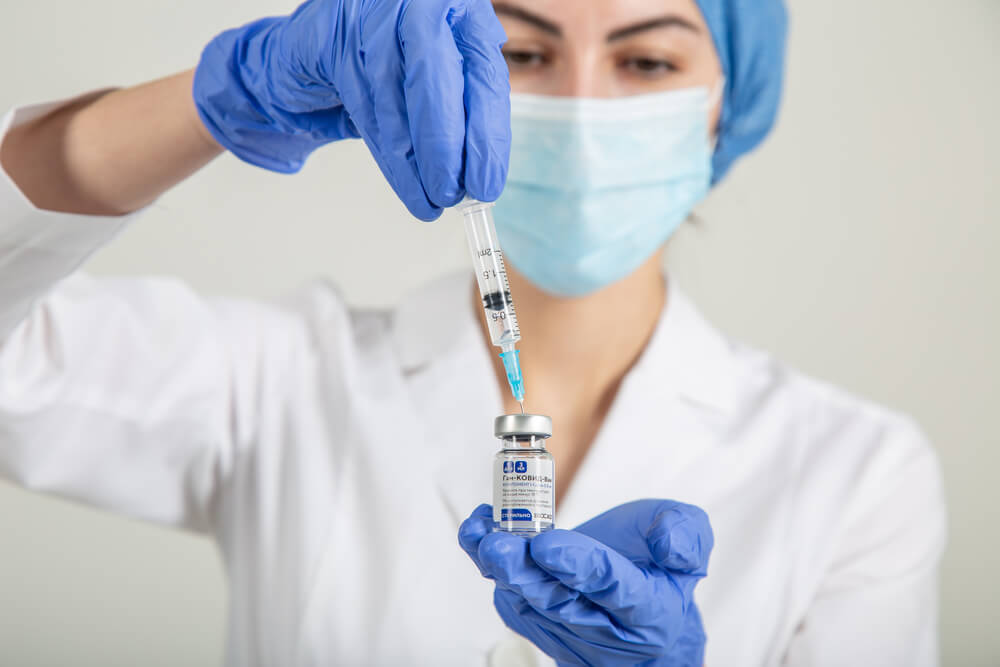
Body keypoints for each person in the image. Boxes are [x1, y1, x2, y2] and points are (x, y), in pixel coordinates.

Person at [0, 0, 946, 665]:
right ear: (436, 77)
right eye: (522, 54)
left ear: (724, 106)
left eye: (647, 60)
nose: (581, 105)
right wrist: (223, 97)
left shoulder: (859, 473)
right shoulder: (279, 378)